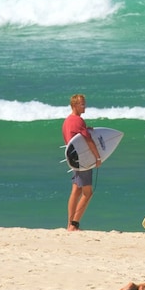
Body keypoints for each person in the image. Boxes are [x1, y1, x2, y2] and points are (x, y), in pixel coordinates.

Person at [62, 93, 101, 231]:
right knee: (87, 193)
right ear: (74, 105)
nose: (85, 106)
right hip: (83, 160)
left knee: (76, 190)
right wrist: (97, 157)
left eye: (85, 103)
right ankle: (74, 224)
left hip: (73, 159)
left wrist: (86, 130)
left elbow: (72, 139)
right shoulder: (78, 121)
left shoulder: (67, 121)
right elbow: (88, 141)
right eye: (82, 104)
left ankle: (69, 224)